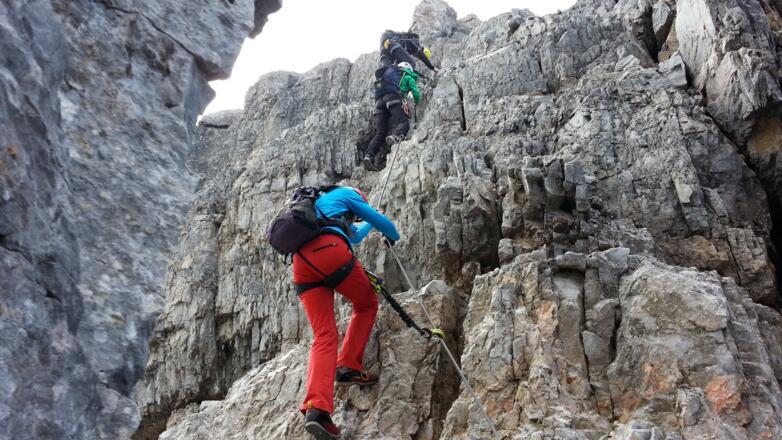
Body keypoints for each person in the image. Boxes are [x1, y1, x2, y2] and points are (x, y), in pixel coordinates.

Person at [294, 186, 400, 439]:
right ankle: (349, 365)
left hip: (302, 265)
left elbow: (353, 237)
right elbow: (383, 223)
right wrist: (389, 232)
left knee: (323, 336)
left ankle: (317, 410)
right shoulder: (349, 195)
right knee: (366, 304)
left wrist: (368, 227)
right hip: (330, 252)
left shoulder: (317, 208)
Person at [363, 63, 409, 171]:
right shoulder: (401, 73)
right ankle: (395, 136)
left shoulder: (385, 75)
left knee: (380, 133)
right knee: (403, 122)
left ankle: (368, 156)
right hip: (392, 97)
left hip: (379, 103)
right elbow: (409, 88)